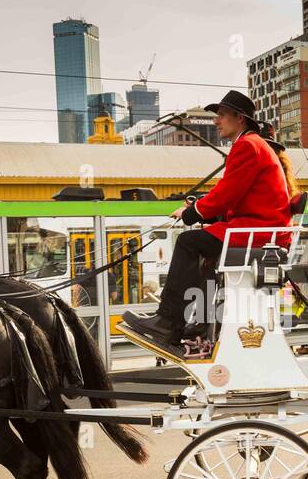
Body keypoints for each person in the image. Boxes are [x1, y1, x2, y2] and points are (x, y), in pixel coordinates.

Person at [122, 90, 294, 346]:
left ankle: (168, 322)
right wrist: (201, 209)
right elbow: (233, 197)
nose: (216, 120)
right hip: (258, 229)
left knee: (188, 243)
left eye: (222, 115)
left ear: (240, 119)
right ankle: (200, 322)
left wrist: (192, 213)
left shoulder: (248, 145)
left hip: (258, 232)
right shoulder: (252, 145)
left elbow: (225, 194)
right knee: (202, 250)